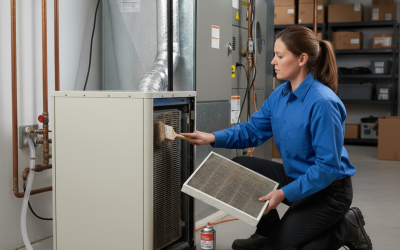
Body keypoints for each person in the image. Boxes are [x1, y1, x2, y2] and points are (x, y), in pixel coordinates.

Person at [181, 26, 372, 250]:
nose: (273, 61)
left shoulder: (323, 102)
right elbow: (252, 131)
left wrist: (283, 193)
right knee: (240, 167)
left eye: (280, 56)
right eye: (274, 55)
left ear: (302, 59)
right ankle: (267, 231)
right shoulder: (280, 94)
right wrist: (211, 137)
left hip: (328, 192)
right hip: (296, 179)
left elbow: (328, 167)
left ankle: (345, 227)